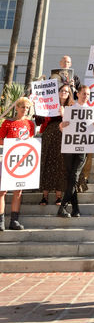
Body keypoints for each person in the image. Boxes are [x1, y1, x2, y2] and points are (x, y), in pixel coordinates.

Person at [59, 85, 94, 218]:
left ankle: (63, 207)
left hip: (83, 149)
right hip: (69, 147)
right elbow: (63, 128)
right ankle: (76, 209)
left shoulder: (92, 111)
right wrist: (62, 126)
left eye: (88, 94)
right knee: (72, 177)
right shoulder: (70, 110)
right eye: (84, 93)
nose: (86, 96)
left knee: (75, 176)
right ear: (78, 94)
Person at [0, 97, 35, 230]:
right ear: (17, 108)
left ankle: (14, 221)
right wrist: (13, 143)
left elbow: (31, 140)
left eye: (27, 108)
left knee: (18, 191)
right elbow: (1, 140)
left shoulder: (30, 124)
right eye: (22, 107)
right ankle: (1, 220)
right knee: (2, 191)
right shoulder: (7, 123)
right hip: (9, 160)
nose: (25, 110)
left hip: (23, 161)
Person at [38, 83, 72, 206]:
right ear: (57, 92)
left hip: (64, 135)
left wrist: (63, 114)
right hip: (50, 135)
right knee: (47, 162)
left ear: (69, 94)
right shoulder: (48, 104)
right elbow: (38, 120)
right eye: (62, 90)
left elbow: (73, 123)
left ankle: (59, 195)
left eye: (67, 91)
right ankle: (45, 196)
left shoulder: (71, 106)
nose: (64, 92)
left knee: (61, 164)